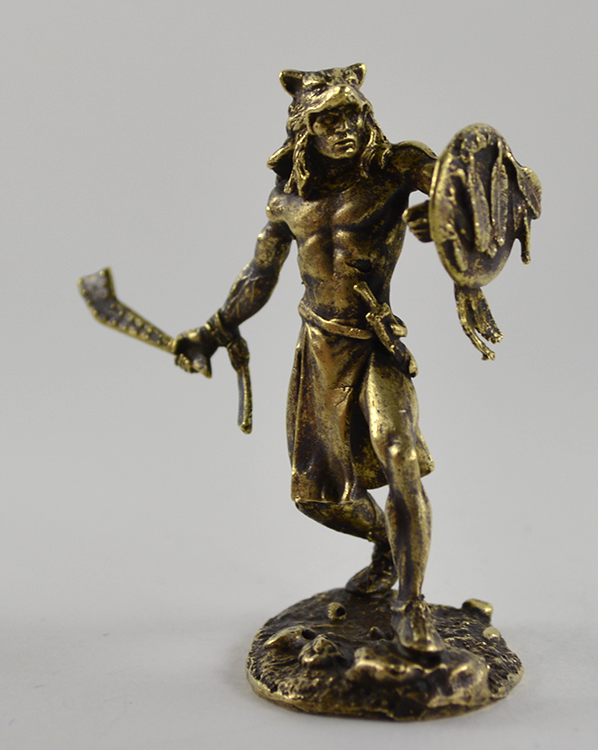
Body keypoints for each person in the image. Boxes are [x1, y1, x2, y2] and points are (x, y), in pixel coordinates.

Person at [174, 64, 444, 652]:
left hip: (375, 343)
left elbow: (467, 189)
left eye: (352, 114)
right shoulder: (287, 202)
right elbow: (258, 276)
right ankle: (386, 548)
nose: (345, 128)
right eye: (328, 119)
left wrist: (446, 217)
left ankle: (411, 604)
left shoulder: (396, 169)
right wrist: (214, 331)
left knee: (399, 455)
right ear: (305, 129)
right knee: (319, 497)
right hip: (320, 350)